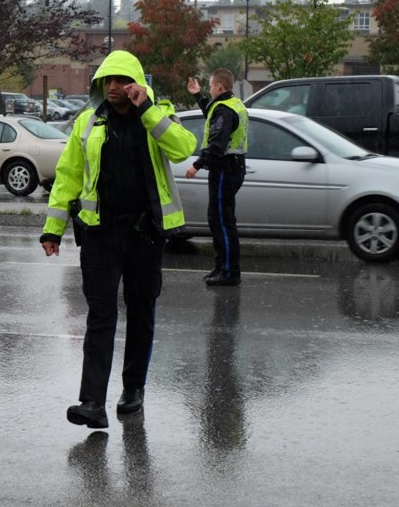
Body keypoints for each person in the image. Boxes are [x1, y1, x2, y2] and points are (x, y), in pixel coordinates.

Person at [40, 50, 197, 429]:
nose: (113, 87)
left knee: (141, 314)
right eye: (106, 81)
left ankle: (133, 390)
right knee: (100, 317)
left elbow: (184, 147)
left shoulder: (157, 116)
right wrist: (53, 228)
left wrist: (148, 110)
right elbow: (68, 176)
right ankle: (92, 402)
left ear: (136, 84)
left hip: (145, 235)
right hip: (100, 234)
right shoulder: (86, 123)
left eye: (121, 80)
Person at [185, 68, 248, 287]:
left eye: (211, 86)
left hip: (225, 168)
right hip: (232, 166)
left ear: (219, 87)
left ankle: (230, 272)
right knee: (218, 219)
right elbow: (213, 116)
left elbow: (217, 144)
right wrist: (197, 95)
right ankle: (222, 267)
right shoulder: (232, 104)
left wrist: (196, 165)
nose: (210, 89)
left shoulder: (224, 110)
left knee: (222, 221)